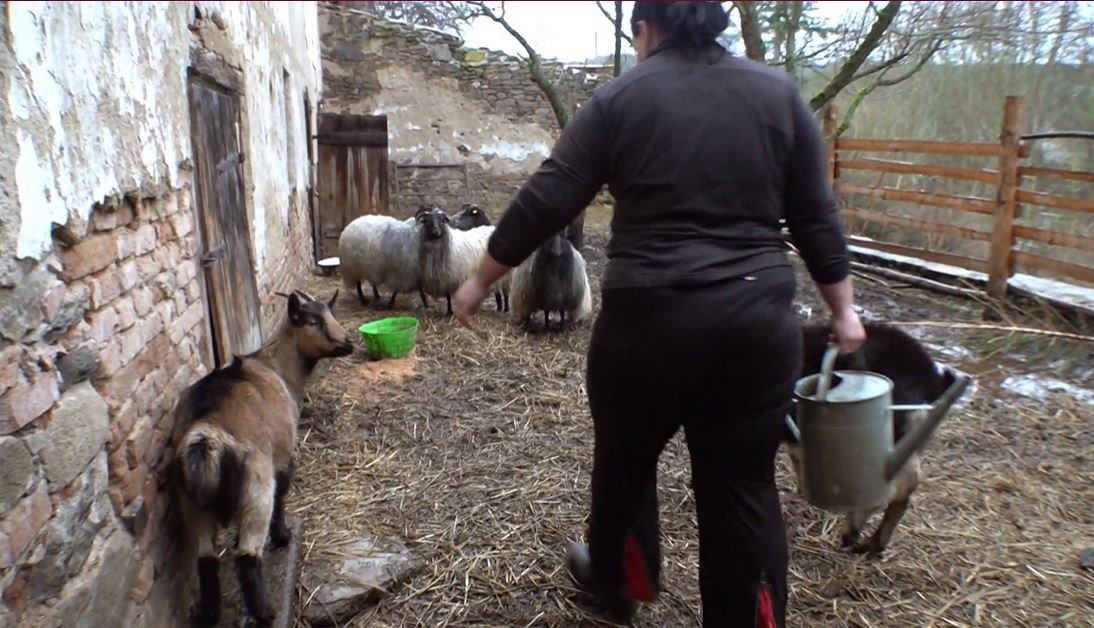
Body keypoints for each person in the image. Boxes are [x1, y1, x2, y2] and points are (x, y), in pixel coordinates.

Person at [452, 2, 866, 626]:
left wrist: (482, 278)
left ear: (646, 28)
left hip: (647, 327)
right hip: (754, 327)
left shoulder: (620, 98)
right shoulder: (779, 95)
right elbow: (815, 216)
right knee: (742, 490)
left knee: (625, 462)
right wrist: (845, 312)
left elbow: (551, 192)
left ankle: (624, 584)